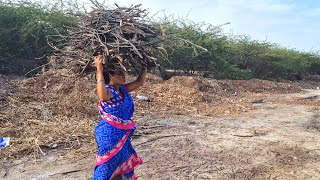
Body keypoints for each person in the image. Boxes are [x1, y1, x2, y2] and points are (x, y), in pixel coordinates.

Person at [93, 55, 147, 180]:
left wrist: (145, 66)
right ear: (110, 76)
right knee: (106, 167)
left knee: (120, 166)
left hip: (123, 136)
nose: (123, 76)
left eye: (123, 73)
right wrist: (99, 70)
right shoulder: (107, 90)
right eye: (119, 74)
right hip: (109, 136)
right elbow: (102, 97)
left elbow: (140, 82)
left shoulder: (123, 89)